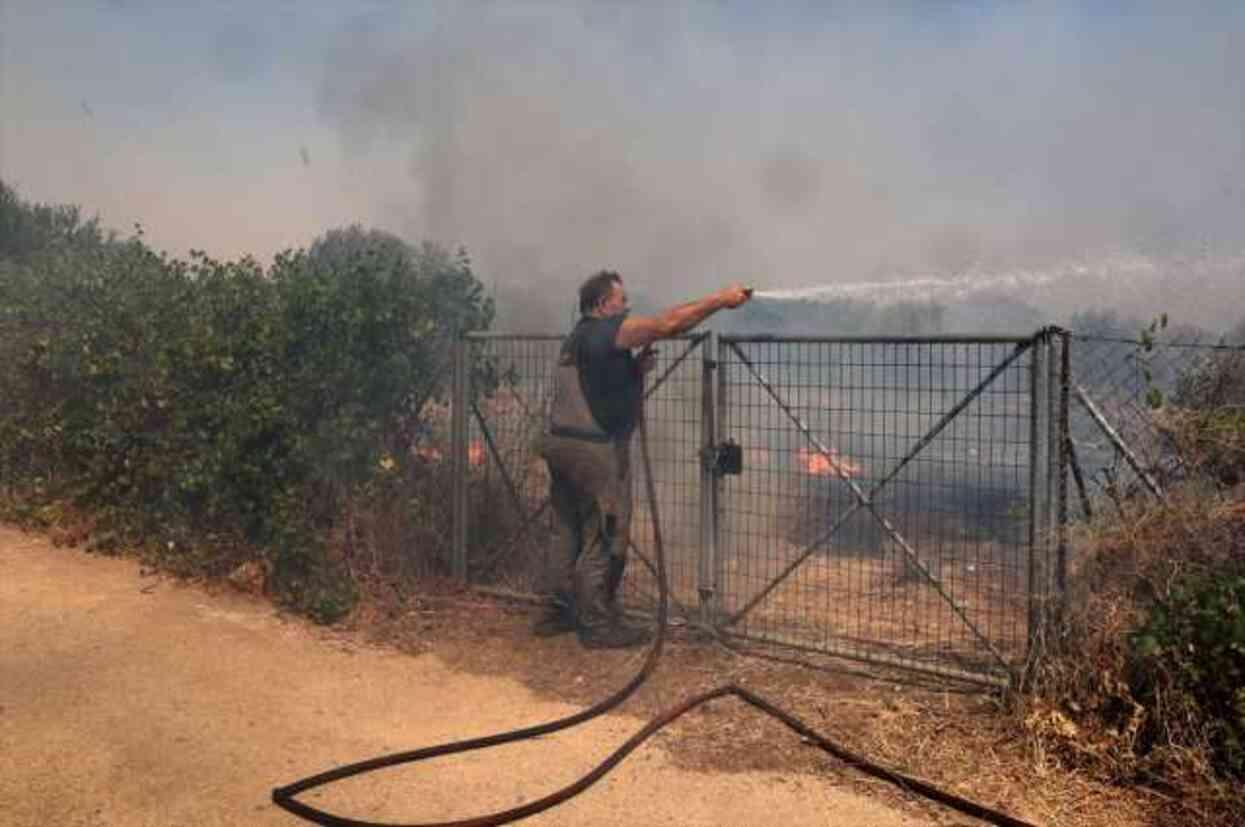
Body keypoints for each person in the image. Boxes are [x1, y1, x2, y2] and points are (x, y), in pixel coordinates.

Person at [533, 271, 752, 648]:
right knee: (606, 533)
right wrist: (721, 299)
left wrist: (634, 371)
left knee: (565, 529)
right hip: (593, 451)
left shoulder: (578, 338)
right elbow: (667, 323)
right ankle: (598, 625)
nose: (627, 306)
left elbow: (597, 384)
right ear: (603, 306)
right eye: (621, 300)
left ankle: (557, 612)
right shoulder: (605, 331)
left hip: (560, 446)